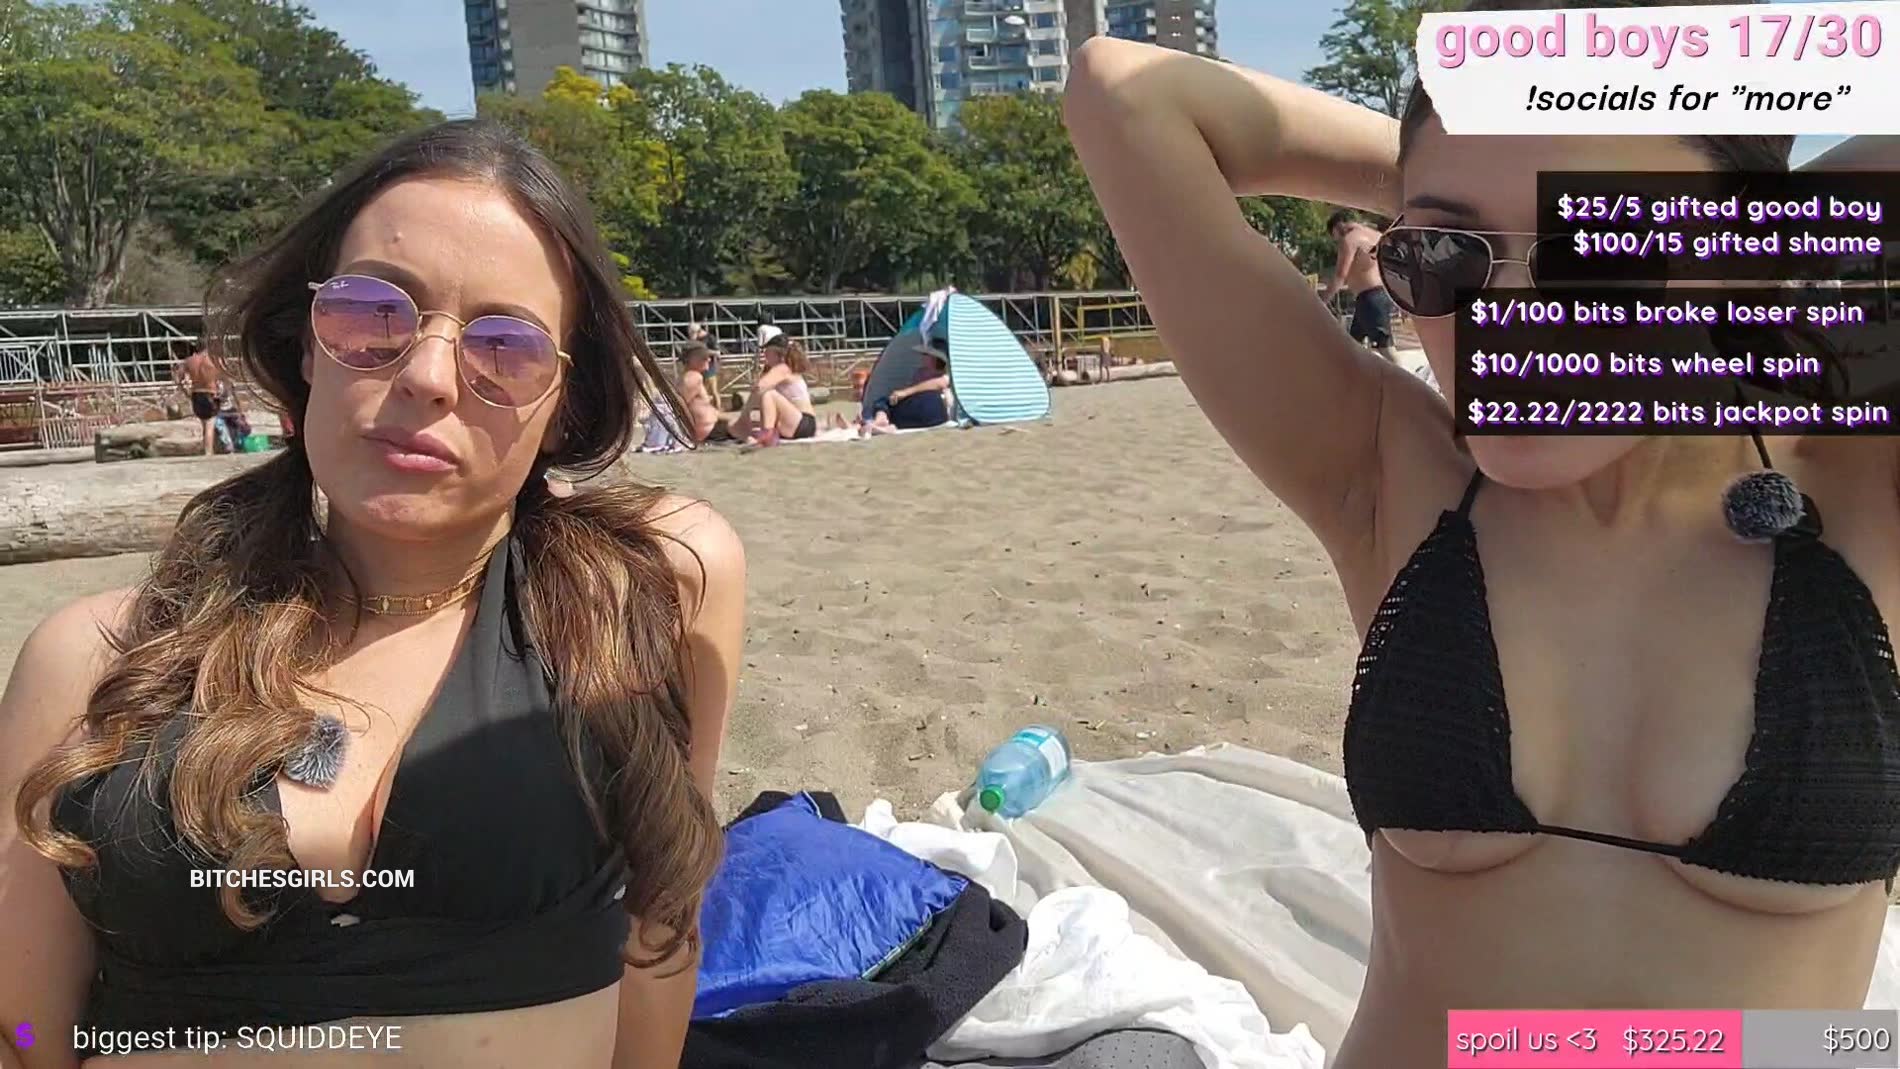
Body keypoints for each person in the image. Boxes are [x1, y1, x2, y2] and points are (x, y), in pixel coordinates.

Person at [1063, 4, 1900, 1067]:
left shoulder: (1863, 479)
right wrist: (1463, 147)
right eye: (1447, 252)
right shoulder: (1388, 472)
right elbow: (1120, 92)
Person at [0, 120, 746, 1069]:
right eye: (372, 313)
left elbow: (661, 930)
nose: (428, 376)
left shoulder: (639, 597)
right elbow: (22, 1029)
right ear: (309, 347)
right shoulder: (96, 662)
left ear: (563, 401)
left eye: (505, 346)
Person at [1319, 210, 1398, 364]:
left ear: (1338, 227)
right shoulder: (1377, 236)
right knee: (1354, 345)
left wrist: (1323, 301)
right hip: (1381, 294)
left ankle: (1404, 377)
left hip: (1370, 298)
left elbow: (1340, 275)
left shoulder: (1349, 239)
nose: (1337, 241)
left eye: (1334, 237)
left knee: (1385, 347)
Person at [734, 335, 817, 447]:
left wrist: (745, 414)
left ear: (776, 353)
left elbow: (759, 387)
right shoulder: (784, 369)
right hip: (799, 422)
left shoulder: (782, 368)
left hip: (801, 421)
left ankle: (768, 433)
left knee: (768, 394)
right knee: (766, 397)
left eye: (767, 351)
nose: (764, 355)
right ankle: (762, 430)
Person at [862, 345, 950, 435]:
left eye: (925, 355)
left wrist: (905, 392)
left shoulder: (942, 376)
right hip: (927, 412)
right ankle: (882, 420)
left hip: (930, 408)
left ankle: (882, 420)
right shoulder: (920, 373)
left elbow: (940, 383)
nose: (922, 357)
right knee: (885, 401)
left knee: (883, 402)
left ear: (934, 359)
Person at [172, 345, 223, 455]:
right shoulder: (213, 360)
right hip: (210, 393)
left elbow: (177, 378)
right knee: (209, 425)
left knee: (204, 425)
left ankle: (206, 450)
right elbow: (223, 376)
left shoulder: (189, 361)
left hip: (196, 393)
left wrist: (185, 391)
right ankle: (208, 452)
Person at [677, 345, 732, 444]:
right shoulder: (693, 378)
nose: (709, 359)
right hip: (708, 432)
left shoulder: (693, 377)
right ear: (692, 359)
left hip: (711, 428)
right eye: (704, 357)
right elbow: (678, 407)